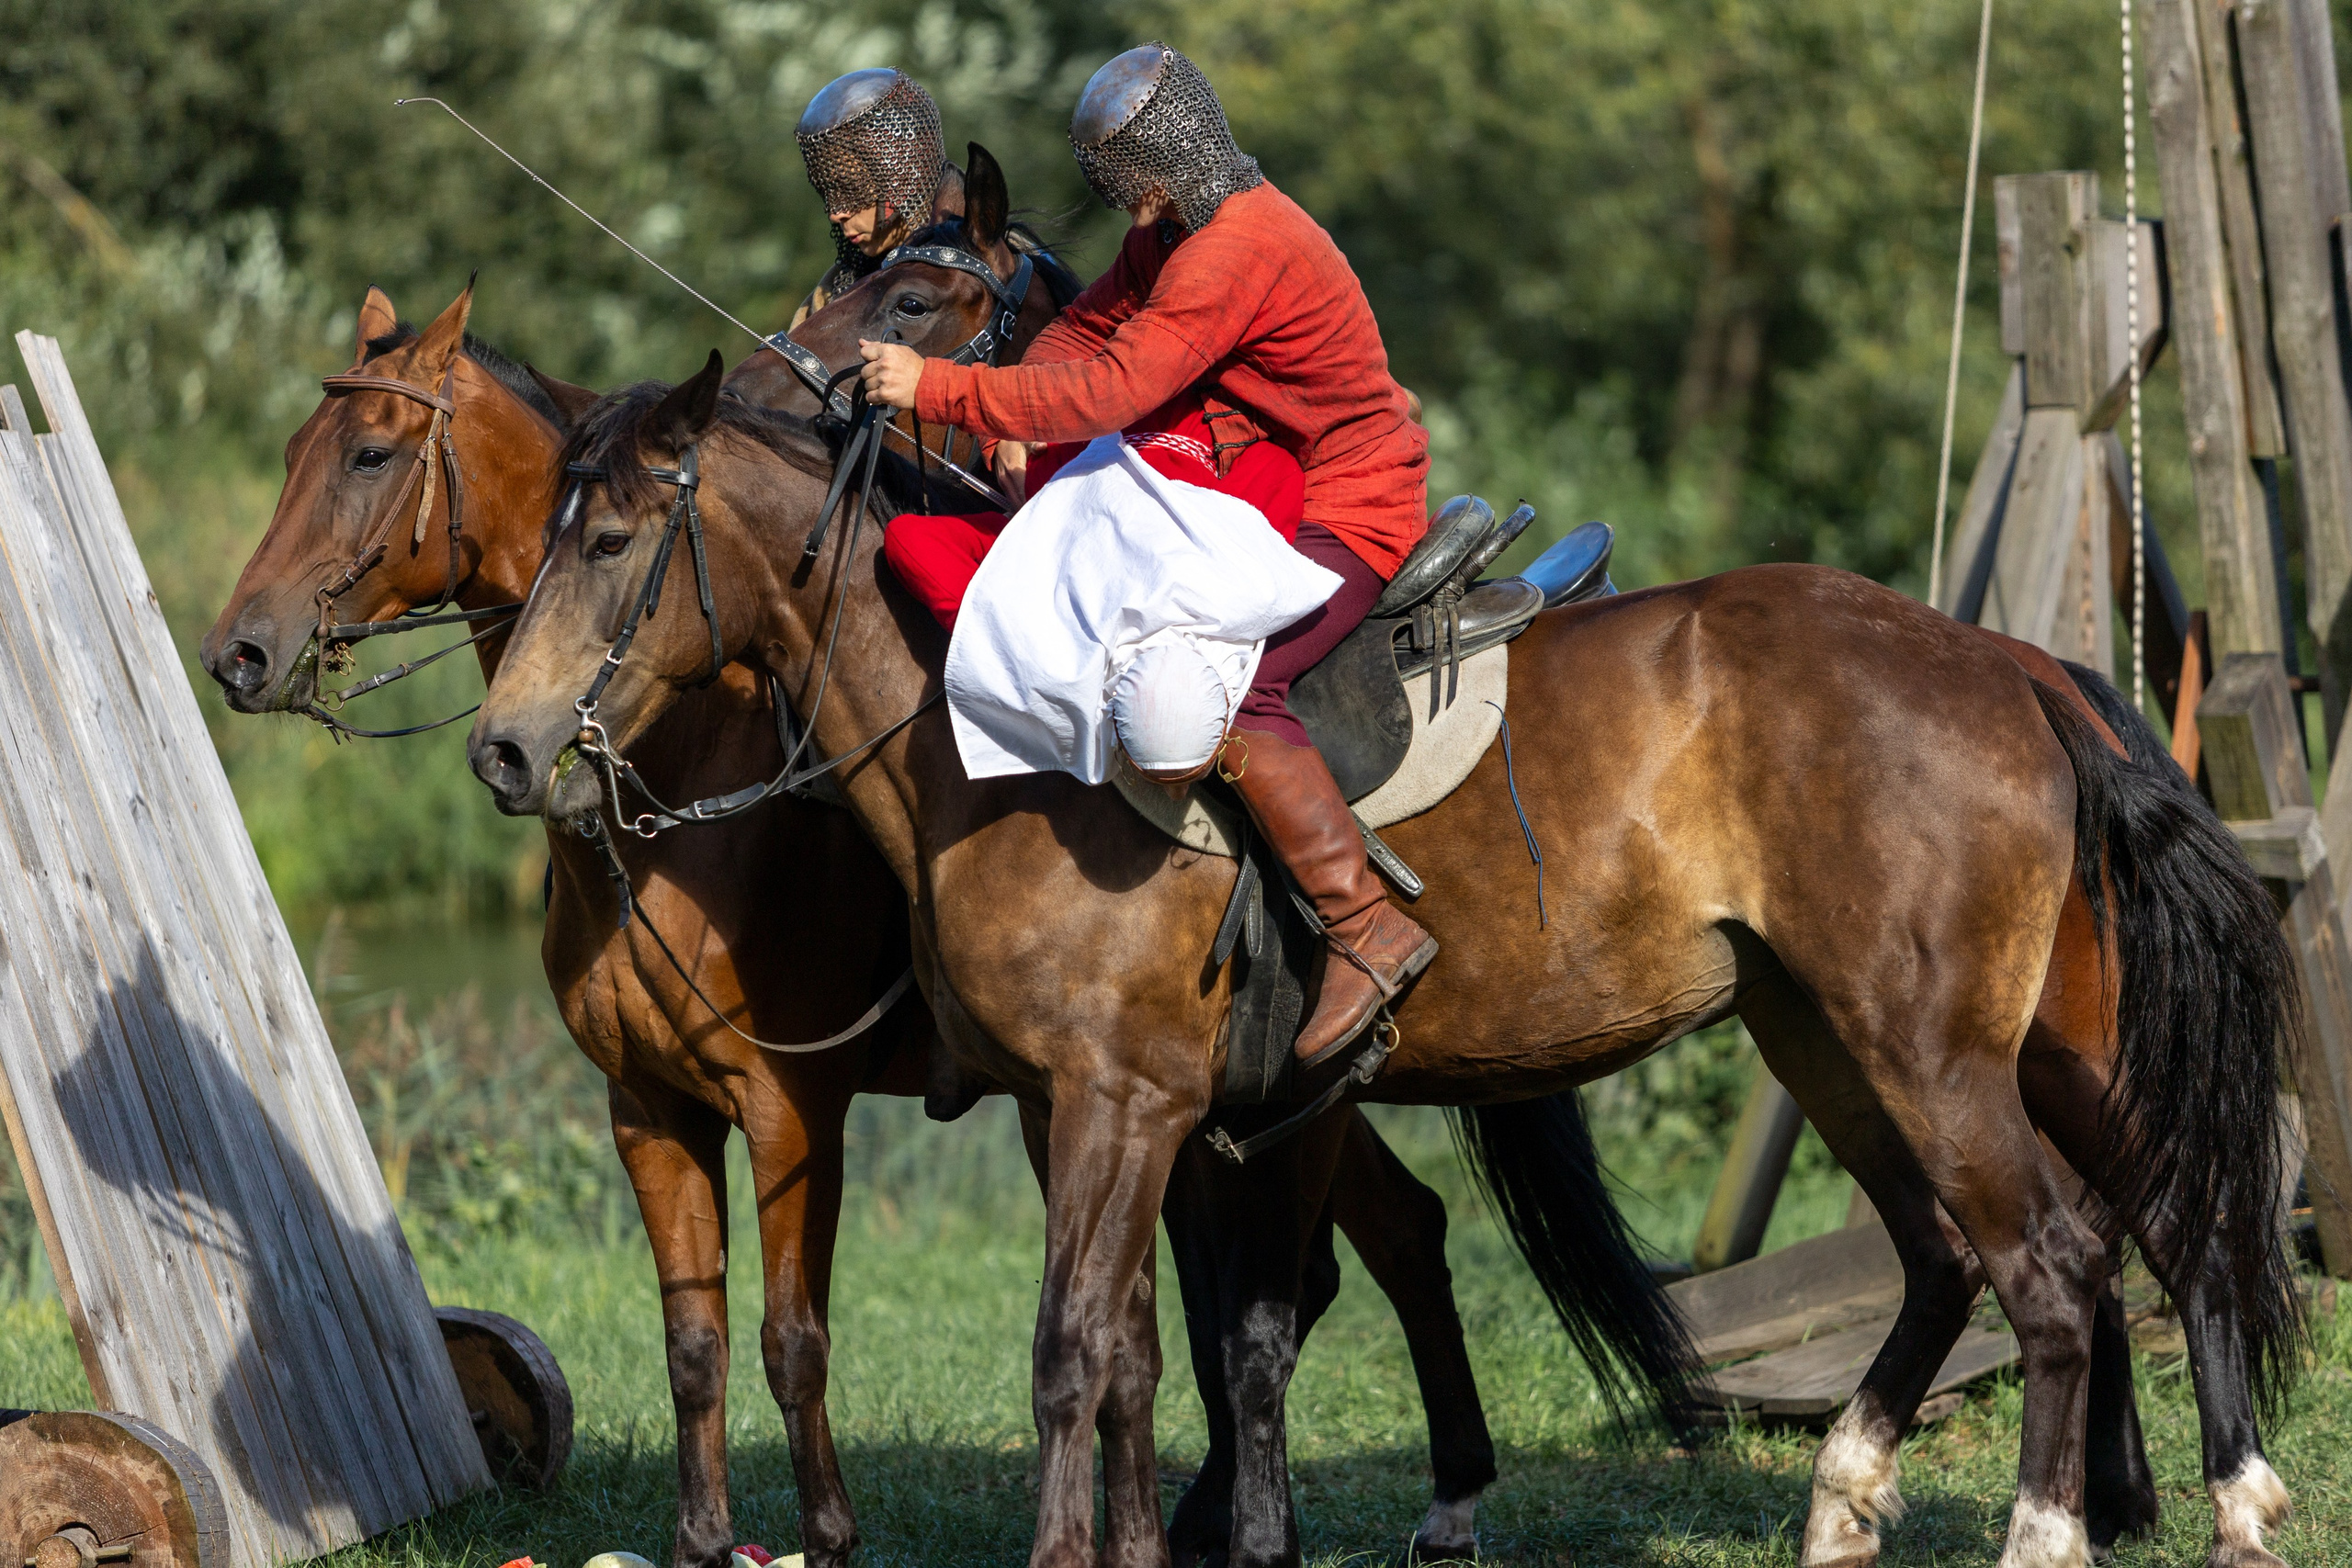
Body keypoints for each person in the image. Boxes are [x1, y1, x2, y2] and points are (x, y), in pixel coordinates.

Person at [858, 42, 1434, 1071]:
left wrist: (947, 392)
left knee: (1239, 693)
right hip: (1256, 496)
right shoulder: (1181, 229)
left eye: (1130, 192)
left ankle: (1365, 927)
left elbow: (1119, 386)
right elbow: (1087, 331)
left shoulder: (1234, 250)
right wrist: (1023, 403)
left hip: (1348, 508)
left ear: (1162, 173)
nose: (1129, 216)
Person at [788, 69, 964, 328]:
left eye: (849, 189)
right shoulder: (834, 290)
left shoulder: (1002, 265)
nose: (836, 213)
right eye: (827, 192)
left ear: (902, 180)